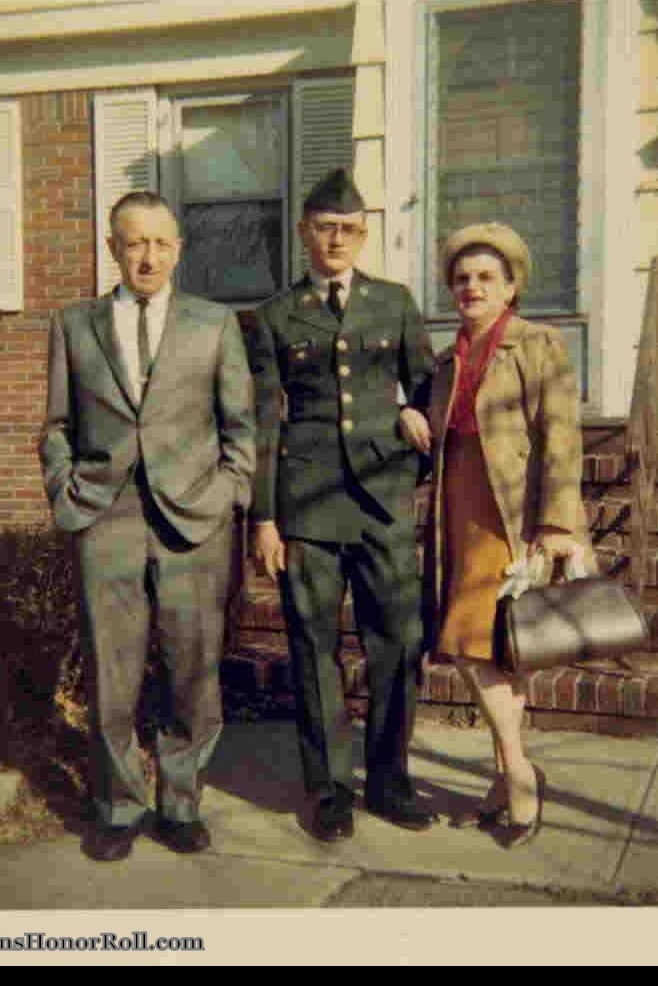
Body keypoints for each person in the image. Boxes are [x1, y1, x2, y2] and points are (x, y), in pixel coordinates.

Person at [38, 191, 255, 861]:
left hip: (193, 519)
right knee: (113, 669)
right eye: (134, 242)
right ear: (112, 248)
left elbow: (240, 431)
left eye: (160, 242)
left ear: (179, 249)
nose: (148, 256)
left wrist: (226, 494)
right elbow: (55, 427)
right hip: (107, 516)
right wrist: (66, 494)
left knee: (193, 668)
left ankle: (181, 801)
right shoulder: (76, 324)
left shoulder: (214, 324)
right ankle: (118, 803)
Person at [246, 167, 436, 842]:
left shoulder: (394, 301)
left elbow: (427, 386)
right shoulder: (275, 315)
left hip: (382, 497)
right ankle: (328, 788)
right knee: (312, 643)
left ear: (363, 236)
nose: (336, 240)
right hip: (308, 505)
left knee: (398, 640)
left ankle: (388, 780)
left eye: (349, 230)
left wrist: (415, 420)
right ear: (304, 232)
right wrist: (263, 516)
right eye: (324, 228)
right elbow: (265, 419)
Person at [399, 222, 593, 848]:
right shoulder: (448, 358)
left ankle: (518, 776)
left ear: (512, 286)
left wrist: (557, 524)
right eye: (462, 279)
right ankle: (508, 775)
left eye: (486, 277)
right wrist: (406, 410)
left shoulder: (538, 346)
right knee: (494, 650)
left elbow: (561, 436)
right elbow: (428, 427)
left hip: (511, 515)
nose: (471, 287)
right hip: (457, 509)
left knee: (473, 642)